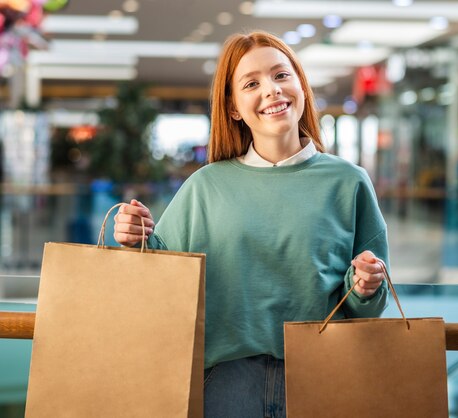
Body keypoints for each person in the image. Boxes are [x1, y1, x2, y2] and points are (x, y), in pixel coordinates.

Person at [113, 30, 389, 418]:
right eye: (252, 83)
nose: (272, 91)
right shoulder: (206, 186)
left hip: (325, 376)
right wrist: (134, 237)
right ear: (233, 109)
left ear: (301, 86)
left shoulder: (349, 182)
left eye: (281, 76)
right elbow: (162, 277)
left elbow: (369, 305)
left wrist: (366, 284)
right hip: (226, 385)